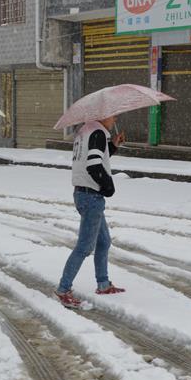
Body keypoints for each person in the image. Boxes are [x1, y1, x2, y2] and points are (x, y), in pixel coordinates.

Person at [54, 116, 126, 308]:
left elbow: (95, 157)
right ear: (101, 115)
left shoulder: (84, 131)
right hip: (91, 196)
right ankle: (63, 289)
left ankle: (103, 284)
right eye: (112, 114)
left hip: (82, 192)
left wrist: (112, 146)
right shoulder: (98, 133)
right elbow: (94, 165)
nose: (114, 117)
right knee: (84, 247)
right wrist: (108, 187)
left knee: (103, 241)